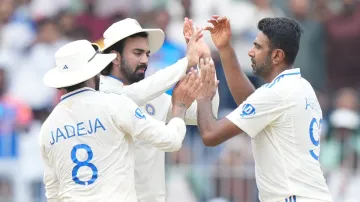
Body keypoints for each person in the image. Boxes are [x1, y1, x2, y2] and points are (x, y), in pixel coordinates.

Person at [39, 38, 203, 201]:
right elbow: (171, 140)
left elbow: (53, 193)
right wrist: (180, 106)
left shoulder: (47, 127)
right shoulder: (115, 105)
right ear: (95, 71)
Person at [195, 16, 333, 202]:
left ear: (277, 55)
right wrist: (225, 48)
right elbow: (250, 103)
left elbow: (210, 135)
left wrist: (203, 93)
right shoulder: (300, 85)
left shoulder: (277, 93)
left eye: (258, 47)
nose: (251, 52)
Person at [98, 18, 219, 202]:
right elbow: (130, 96)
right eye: (138, 53)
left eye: (147, 54)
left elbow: (208, 114)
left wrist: (205, 58)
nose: (145, 60)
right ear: (115, 57)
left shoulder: (153, 96)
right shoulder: (100, 95)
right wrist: (186, 62)